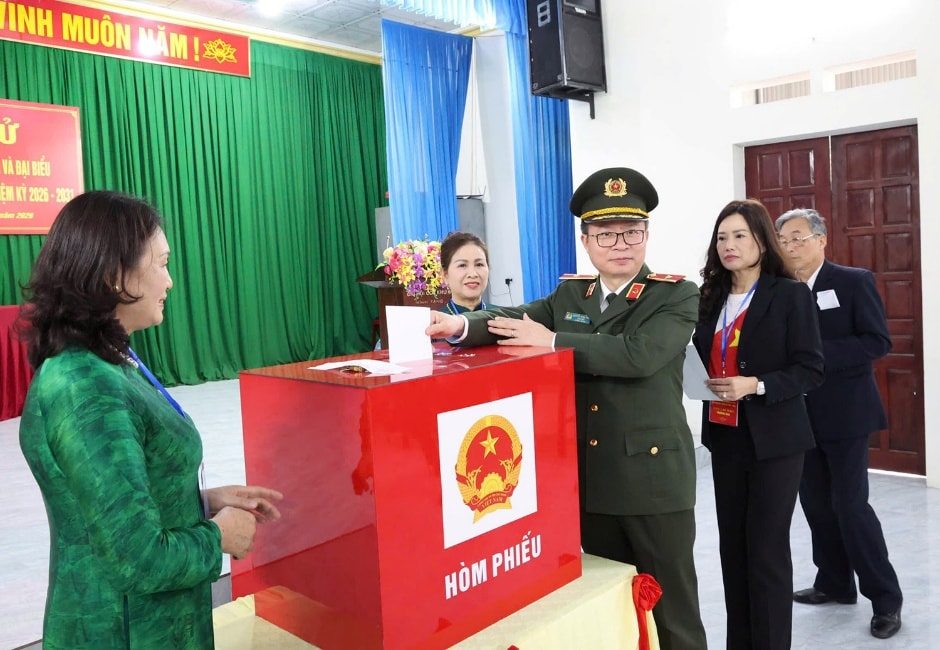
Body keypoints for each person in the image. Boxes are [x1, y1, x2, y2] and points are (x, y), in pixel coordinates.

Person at [427, 167, 708, 650]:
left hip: (653, 482)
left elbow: (638, 355)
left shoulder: (675, 293)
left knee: (672, 610)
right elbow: (512, 317)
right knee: (612, 602)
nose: (620, 243)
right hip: (592, 480)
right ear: (586, 240)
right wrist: (457, 328)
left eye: (631, 232)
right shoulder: (572, 294)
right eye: (604, 234)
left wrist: (554, 341)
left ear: (646, 234)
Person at [16, 191, 283, 649]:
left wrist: (196, 498)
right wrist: (218, 535)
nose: (171, 281)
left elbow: (104, 500)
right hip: (122, 630)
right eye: (161, 263)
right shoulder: (85, 386)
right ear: (112, 275)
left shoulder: (109, 360)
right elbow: (136, 558)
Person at [692, 199, 825, 650]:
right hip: (725, 436)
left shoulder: (788, 295)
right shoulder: (707, 298)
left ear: (762, 243)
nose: (728, 245)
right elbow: (699, 359)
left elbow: (811, 368)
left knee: (766, 552)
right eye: (722, 237)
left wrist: (756, 384)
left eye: (739, 236)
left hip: (777, 440)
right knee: (733, 550)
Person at [775, 208, 903, 639]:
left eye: (798, 238)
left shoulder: (852, 281)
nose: (791, 247)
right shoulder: (779, 290)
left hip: (847, 415)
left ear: (821, 239)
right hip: (800, 417)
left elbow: (876, 341)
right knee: (815, 505)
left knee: (851, 507)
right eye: (784, 241)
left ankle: (885, 599)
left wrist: (815, 356)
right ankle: (834, 582)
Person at [439, 231, 495, 314]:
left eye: (479, 264)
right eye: (462, 265)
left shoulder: (504, 318)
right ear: (445, 275)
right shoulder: (433, 323)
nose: (473, 274)